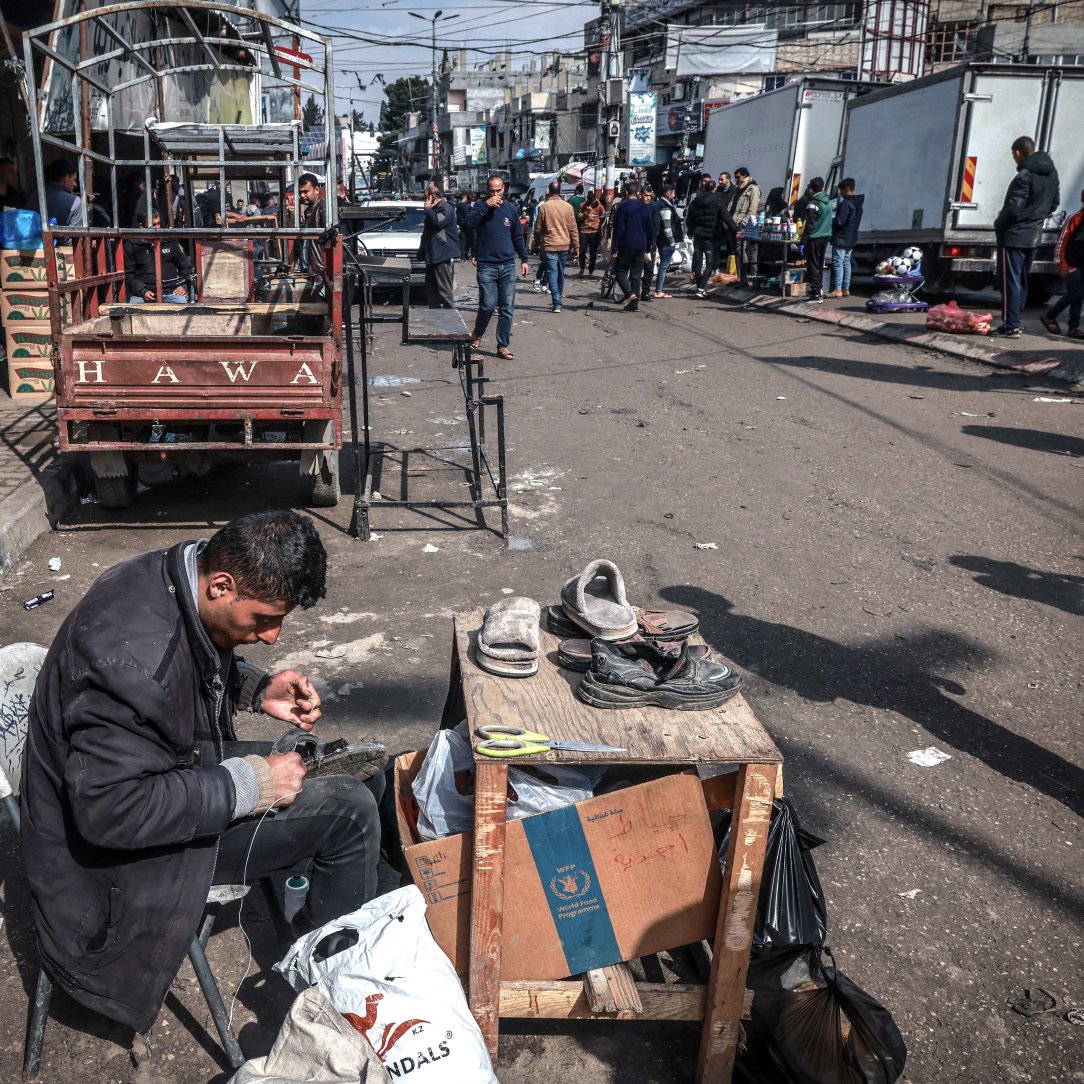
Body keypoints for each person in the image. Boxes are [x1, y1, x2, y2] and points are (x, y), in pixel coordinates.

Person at [20, 511, 385, 1038]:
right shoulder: (128, 662)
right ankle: (339, 996)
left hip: (156, 775)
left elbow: (187, 659)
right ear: (221, 586)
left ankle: (327, 926)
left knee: (356, 771)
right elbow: (110, 813)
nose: (272, 636)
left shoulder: (181, 571)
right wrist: (253, 784)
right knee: (350, 813)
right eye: (263, 619)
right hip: (109, 865)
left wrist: (254, 689)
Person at [994, 135, 1060, 337]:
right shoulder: (1052, 174)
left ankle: (1011, 325)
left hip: (1014, 236)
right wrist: (1036, 218)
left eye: (1013, 154)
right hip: (1034, 235)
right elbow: (1054, 203)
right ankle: (1015, 321)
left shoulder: (1024, 176)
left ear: (1017, 153)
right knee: (1021, 281)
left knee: (1010, 282)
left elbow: (1013, 208)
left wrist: (999, 223)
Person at [467, 174, 529, 360]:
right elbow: (469, 223)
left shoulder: (511, 209)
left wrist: (524, 259)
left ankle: (503, 345)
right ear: (487, 191)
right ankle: (478, 332)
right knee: (487, 305)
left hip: (507, 265)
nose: (496, 194)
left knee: (506, 307)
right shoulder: (480, 207)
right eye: (492, 191)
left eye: (499, 190)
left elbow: (517, 235)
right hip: (486, 265)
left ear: (504, 189)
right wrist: (486, 205)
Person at [1041, 186, 1084, 340]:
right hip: (1072, 264)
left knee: (1078, 296)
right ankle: (1050, 316)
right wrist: (1062, 264)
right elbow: (1062, 241)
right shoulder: (1075, 218)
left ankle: (1073, 328)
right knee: (1076, 294)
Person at [123, 211, 192, 303]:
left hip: (171, 292)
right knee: (133, 307)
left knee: (182, 305)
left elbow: (185, 267)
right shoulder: (132, 245)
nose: (157, 227)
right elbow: (129, 275)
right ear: (142, 226)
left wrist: (184, 286)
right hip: (143, 294)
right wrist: (143, 291)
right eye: (153, 225)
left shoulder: (170, 241)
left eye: (158, 223)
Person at [532, 179, 579, 313]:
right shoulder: (568, 207)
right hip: (564, 245)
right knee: (560, 273)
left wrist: (536, 242)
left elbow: (538, 229)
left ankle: (556, 302)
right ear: (560, 191)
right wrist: (577, 246)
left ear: (549, 191)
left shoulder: (544, 207)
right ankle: (559, 299)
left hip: (549, 245)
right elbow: (573, 228)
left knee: (552, 273)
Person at [686, 179, 734, 299]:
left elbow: (689, 219)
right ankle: (701, 288)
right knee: (710, 263)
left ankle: (699, 287)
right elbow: (726, 217)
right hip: (711, 236)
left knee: (697, 263)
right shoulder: (717, 200)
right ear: (714, 189)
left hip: (698, 235)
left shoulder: (695, 201)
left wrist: (691, 231)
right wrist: (736, 229)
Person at [610, 179, 654, 312]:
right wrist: (649, 246)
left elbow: (619, 229)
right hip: (641, 245)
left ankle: (630, 295)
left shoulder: (622, 207)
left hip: (626, 244)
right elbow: (650, 229)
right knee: (636, 274)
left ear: (626, 192)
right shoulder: (645, 207)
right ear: (638, 193)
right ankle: (634, 304)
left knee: (620, 271)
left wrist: (614, 247)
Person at [419, 183, 460, 309]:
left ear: (433, 198)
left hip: (442, 254)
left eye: (427, 198)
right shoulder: (434, 210)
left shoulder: (446, 208)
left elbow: (438, 222)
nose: (425, 202)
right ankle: (435, 314)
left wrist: (428, 209)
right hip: (432, 255)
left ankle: (450, 315)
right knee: (431, 290)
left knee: (444, 289)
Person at [829, 177, 864, 298]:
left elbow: (840, 222)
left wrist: (832, 223)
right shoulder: (858, 205)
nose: (840, 193)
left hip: (841, 237)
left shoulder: (845, 204)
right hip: (852, 238)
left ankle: (837, 289)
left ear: (846, 189)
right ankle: (846, 289)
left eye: (841, 190)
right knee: (846, 262)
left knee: (838, 262)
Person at [799, 177, 832, 303]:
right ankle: (819, 290)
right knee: (819, 265)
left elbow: (809, 224)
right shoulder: (828, 201)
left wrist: (803, 241)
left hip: (814, 238)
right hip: (825, 237)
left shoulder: (813, 203)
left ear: (811, 189)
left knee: (812, 265)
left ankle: (816, 293)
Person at [651, 183, 684, 298]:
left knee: (663, 265)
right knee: (664, 265)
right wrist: (671, 241)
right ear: (668, 193)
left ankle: (658, 289)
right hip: (665, 241)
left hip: (660, 239)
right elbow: (667, 227)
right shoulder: (665, 207)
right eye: (673, 193)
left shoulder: (658, 204)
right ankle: (659, 290)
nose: (674, 195)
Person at [731, 167, 761, 286]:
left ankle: (744, 278)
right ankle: (741, 277)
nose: (736, 180)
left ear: (745, 176)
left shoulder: (753, 189)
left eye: (738, 177)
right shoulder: (739, 189)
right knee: (738, 250)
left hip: (745, 225)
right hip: (735, 223)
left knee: (742, 249)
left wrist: (742, 224)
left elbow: (752, 210)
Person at [295, 172, 327, 275]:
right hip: (310, 266)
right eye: (300, 192)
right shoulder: (310, 210)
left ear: (316, 190)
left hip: (318, 268)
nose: (302, 195)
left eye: (305, 191)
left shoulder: (323, 208)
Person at [44, 156, 84, 229]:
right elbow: (75, 234)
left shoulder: (33, 196)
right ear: (66, 178)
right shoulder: (75, 202)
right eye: (74, 179)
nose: (75, 184)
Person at [577, 190, 605, 276]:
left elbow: (602, 217)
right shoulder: (583, 205)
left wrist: (599, 226)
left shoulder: (599, 206)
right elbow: (579, 218)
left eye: (594, 201)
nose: (593, 203)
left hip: (595, 231)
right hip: (584, 231)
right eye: (591, 202)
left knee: (593, 252)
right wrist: (586, 213)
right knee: (582, 250)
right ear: (588, 200)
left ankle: (591, 271)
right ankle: (582, 268)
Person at [456, 192, 475, 260]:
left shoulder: (457, 205)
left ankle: (462, 256)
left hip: (460, 224)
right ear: (465, 198)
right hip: (467, 225)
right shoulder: (466, 206)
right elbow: (468, 215)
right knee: (471, 240)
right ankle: (469, 254)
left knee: (462, 240)